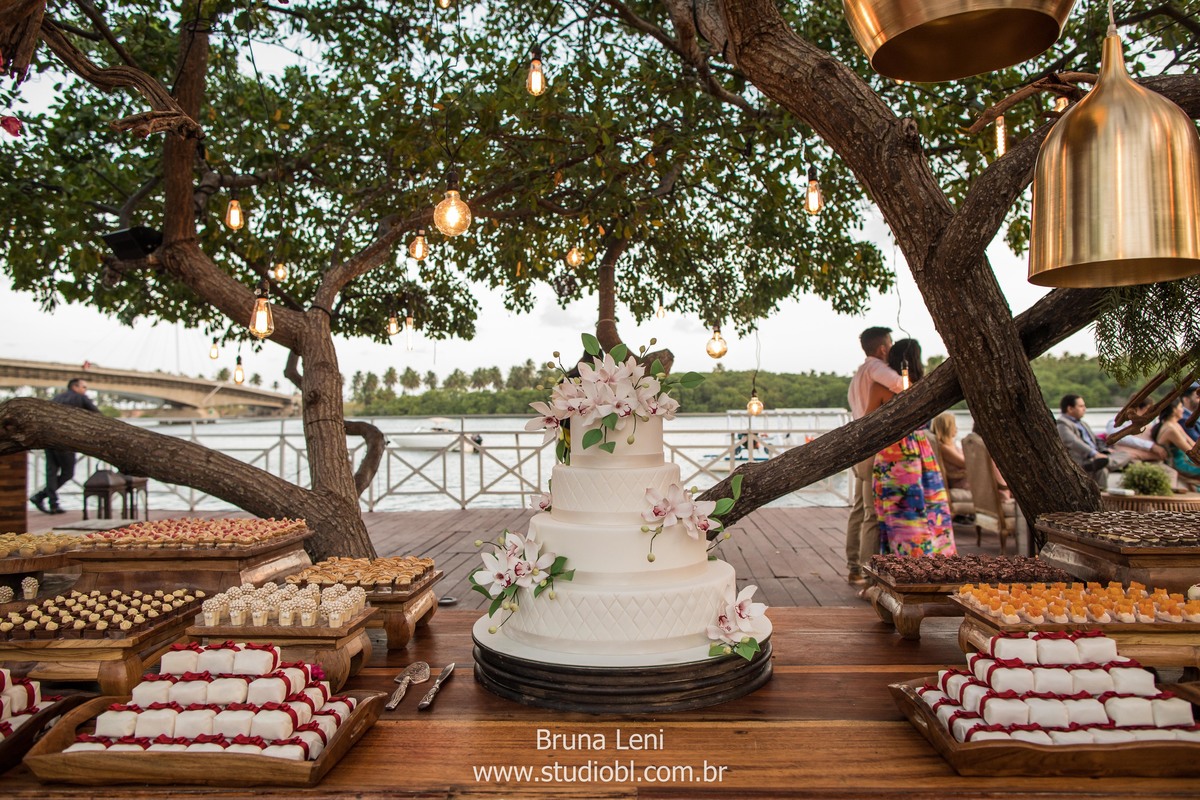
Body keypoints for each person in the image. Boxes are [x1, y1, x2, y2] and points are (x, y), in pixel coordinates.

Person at [870, 339, 956, 557]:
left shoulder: (880, 387)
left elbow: (867, 423)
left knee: (898, 514)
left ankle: (902, 561)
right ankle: (934, 560)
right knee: (929, 508)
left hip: (893, 452)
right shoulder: (926, 387)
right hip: (921, 450)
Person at [844, 327, 906, 585]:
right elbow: (903, 386)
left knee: (859, 508)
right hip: (874, 449)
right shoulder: (876, 371)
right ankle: (867, 571)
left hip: (859, 446)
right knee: (870, 512)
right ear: (882, 348)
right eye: (890, 343)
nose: (891, 348)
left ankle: (853, 565)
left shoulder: (858, 374)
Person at [29, 378, 99, 514]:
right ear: (75, 387)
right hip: (65, 441)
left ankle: (52, 503)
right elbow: (98, 416)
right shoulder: (80, 398)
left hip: (48, 439)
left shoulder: (56, 398)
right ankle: (41, 496)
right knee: (67, 473)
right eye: (84, 387)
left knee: (51, 472)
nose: (85, 390)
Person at [1056, 394, 1113, 488]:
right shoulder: (1062, 423)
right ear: (1070, 408)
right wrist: (1094, 454)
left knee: (1125, 454)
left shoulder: (1083, 423)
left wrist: (1104, 449)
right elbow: (1072, 441)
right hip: (1083, 459)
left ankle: (1105, 460)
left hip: (1096, 457)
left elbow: (1095, 439)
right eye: (1081, 406)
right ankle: (1105, 461)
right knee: (1102, 470)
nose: (1084, 409)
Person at [1106, 396, 1169, 465]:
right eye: (1148, 409)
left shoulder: (1146, 423)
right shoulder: (1117, 421)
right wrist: (1150, 446)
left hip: (1146, 456)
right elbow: (1117, 436)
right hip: (1127, 456)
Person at [1151, 399, 1200, 482]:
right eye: (1181, 407)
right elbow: (1191, 451)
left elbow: (1193, 445)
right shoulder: (1170, 429)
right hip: (1179, 463)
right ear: (1174, 410)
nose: (1183, 410)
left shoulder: (1175, 424)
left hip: (1186, 461)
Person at [929, 413, 968, 490]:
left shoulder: (951, 444)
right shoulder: (943, 448)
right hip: (961, 482)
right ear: (947, 427)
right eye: (954, 425)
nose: (956, 428)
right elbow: (964, 463)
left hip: (966, 478)